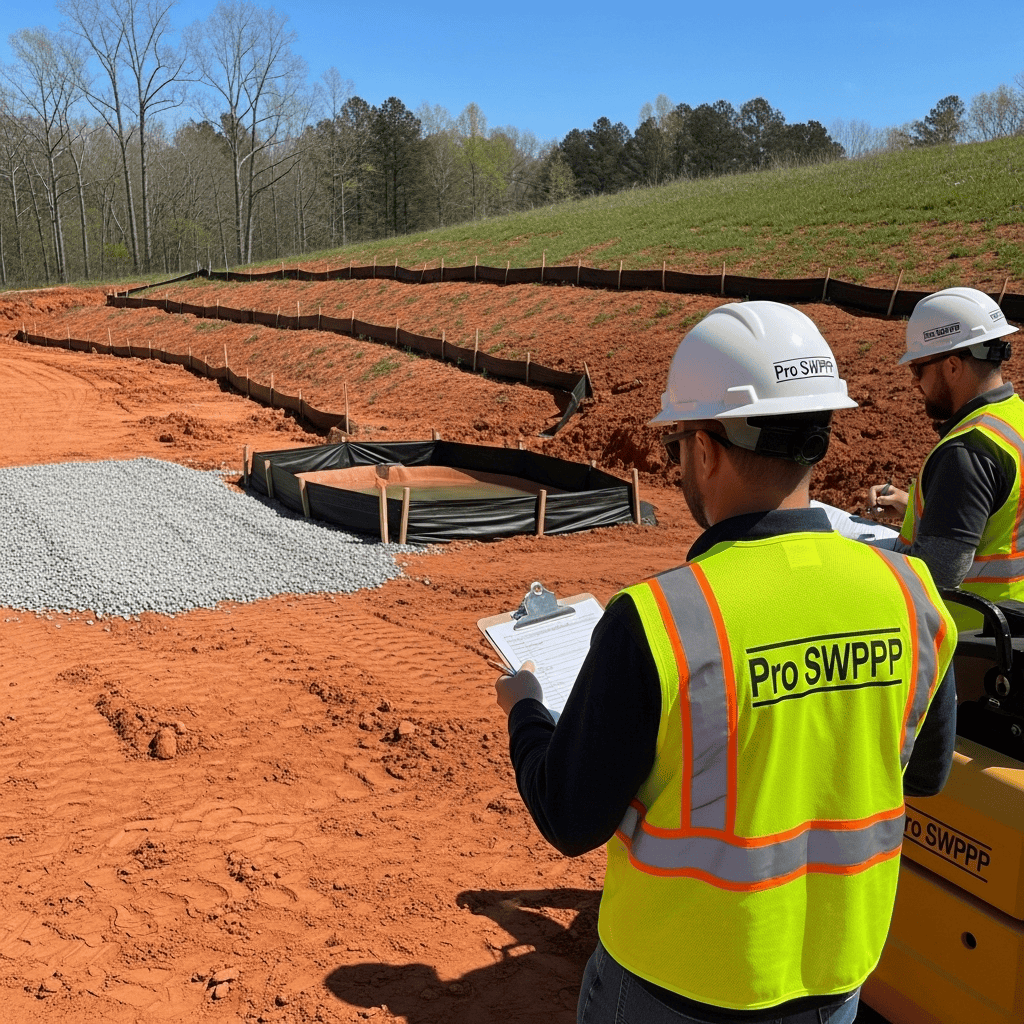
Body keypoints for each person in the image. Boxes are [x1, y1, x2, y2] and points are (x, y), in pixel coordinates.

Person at [494, 301, 958, 1024]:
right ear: (819, 438)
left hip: (676, 983)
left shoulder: (659, 620)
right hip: (834, 979)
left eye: (680, 441)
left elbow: (570, 815)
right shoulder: (912, 593)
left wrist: (526, 707)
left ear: (705, 450)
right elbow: (921, 770)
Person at [868, 286, 1021, 630]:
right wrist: (919, 508)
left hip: (972, 644)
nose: (914, 382)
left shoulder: (969, 450)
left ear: (952, 366)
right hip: (1014, 626)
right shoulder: (1015, 420)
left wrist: (861, 558)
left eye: (918, 369)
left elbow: (937, 576)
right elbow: (1005, 515)